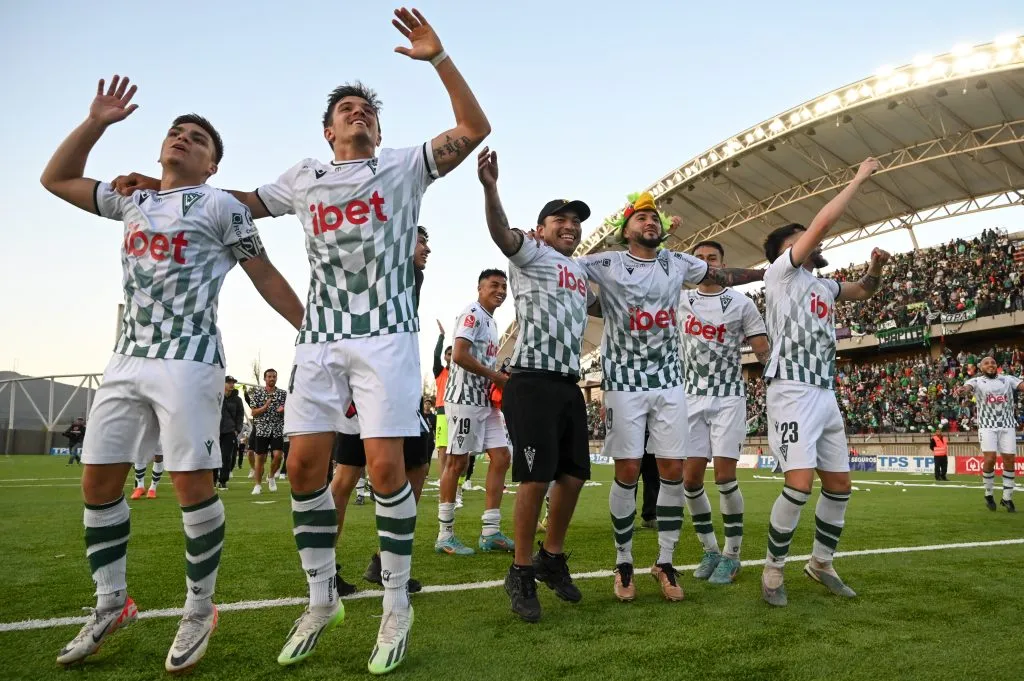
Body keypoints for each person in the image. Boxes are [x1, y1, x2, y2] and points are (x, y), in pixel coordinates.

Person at [115, 10, 489, 671]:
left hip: (386, 336)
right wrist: (170, 189)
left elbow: (472, 130)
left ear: (378, 128)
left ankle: (396, 601)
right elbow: (240, 202)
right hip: (318, 340)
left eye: (366, 109)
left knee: (381, 469)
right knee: (306, 472)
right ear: (328, 129)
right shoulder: (304, 176)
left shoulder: (403, 167)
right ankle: (321, 598)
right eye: (346, 108)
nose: (356, 113)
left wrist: (438, 59)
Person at [42, 75, 304, 672]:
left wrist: (308, 327)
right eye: (176, 133)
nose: (182, 140)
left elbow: (263, 273)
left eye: (197, 139)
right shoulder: (131, 198)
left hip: (189, 360)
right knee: (98, 485)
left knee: (191, 487)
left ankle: (200, 607)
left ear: (213, 165)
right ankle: (112, 601)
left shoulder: (220, 205)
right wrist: (97, 122)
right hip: (125, 359)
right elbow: (56, 179)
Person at [576, 193, 764, 603]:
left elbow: (723, 275)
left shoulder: (678, 263)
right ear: (625, 230)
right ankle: (623, 560)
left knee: (672, 469)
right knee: (627, 469)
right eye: (640, 217)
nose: (649, 221)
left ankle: (664, 560)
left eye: (653, 217)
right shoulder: (604, 262)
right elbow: (565, 272)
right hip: (624, 380)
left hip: (669, 380)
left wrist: (774, 268)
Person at [759, 157, 888, 607]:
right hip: (791, 389)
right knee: (798, 485)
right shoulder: (781, 274)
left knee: (839, 486)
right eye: (801, 239)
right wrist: (858, 178)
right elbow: (824, 221)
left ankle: (821, 563)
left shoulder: (824, 286)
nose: (811, 241)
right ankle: (773, 572)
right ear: (785, 250)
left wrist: (875, 267)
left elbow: (866, 290)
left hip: (824, 391)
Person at [478, 147, 594, 623]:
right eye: (559, 219)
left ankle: (552, 555)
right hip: (530, 379)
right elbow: (501, 234)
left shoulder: (583, 269)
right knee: (534, 476)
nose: (569, 225)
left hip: (568, 381)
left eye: (575, 221)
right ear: (541, 227)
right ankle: (521, 570)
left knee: (574, 475)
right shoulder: (530, 251)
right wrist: (490, 187)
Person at [330, 226, 434, 594]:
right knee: (351, 476)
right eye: (422, 241)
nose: (428, 249)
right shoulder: (394, 272)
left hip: (379, 381)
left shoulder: (402, 275)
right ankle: (378, 564)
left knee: (409, 465)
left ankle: (372, 563)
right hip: (375, 382)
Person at [679, 240, 771, 585]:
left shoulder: (742, 302)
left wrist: (775, 378)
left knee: (724, 478)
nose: (705, 264)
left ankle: (732, 555)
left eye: (711, 258)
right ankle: (709, 550)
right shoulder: (681, 300)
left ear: (723, 262)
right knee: (689, 480)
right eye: (699, 259)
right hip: (689, 399)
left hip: (728, 399)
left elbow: (761, 349)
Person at [436, 269, 515, 555]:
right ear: (479, 288)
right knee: (457, 463)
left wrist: (497, 377)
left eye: (504, 286)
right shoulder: (472, 312)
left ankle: (490, 531)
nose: (501, 290)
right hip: (465, 399)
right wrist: (493, 376)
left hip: (485, 401)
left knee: (502, 456)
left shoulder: (492, 320)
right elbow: (458, 354)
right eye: (494, 285)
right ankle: (445, 535)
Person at [957, 357, 1021, 512]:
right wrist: (963, 390)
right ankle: (988, 493)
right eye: (986, 363)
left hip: (1007, 425)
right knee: (990, 458)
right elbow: (967, 387)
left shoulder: (1007, 379)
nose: (990, 365)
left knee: (1009, 460)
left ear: (996, 366)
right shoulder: (977, 381)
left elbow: (1021, 384)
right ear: (981, 368)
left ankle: (1007, 498)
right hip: (987, 426)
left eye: (992, 363)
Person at [433, 323, 453, 477]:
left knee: (460, 452)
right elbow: (435, 355)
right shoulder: (440, 371)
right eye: (448, 354)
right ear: (445, 357)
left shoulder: (463, 371)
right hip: (442, 412)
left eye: (454, 353)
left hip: (459, 411)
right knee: (443, 451)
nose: (451, 356)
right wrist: (441, 336)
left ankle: (458, 489)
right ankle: (443, 483)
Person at [218, 376, 245, 490]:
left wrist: (237, 430)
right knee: (214, 456)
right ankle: (213, 479)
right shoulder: (217, 396)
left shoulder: (237, 400)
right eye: (228, 382)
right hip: (215, 430)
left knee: (226, 457)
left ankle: (223, 481)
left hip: (230, 431)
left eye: (233, 382)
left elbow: (240, 415)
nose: (231, 384)